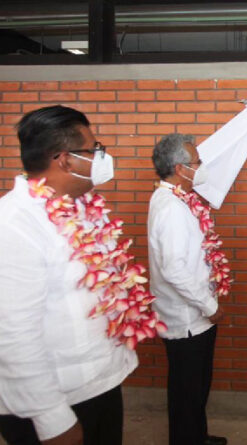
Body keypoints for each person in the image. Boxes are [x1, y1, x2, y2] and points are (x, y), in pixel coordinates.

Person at [0, 105, 139, 445]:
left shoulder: (82, 209)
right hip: (54, 401)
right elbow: (12, 335)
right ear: (65, 160)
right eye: (93, 150)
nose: (100, 158)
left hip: (98, 383)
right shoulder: (14, 225)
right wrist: (52, 419)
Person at [148, 133, 227, 445]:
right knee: (187, 387)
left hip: (193, 315)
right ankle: (187, 439)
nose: (202, 166)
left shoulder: (176, 200)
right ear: (181, 169)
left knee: (195, 386)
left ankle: (197, 435)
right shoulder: (171, 208)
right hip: (187, 319)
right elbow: (174, 269)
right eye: (197, 162)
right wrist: (210, 306)